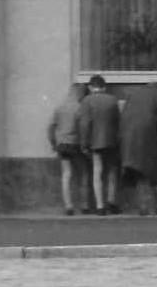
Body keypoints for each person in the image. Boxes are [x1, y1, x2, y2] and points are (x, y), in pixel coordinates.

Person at [118, 79, 157, 216]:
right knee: (149, 170)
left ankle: (144, 206)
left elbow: (123, 115)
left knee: (137, 170)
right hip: (148, 134)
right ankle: (155, 207)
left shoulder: (133, 94)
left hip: (127, 136)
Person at [75, 75, 123, 215]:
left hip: (95, 142)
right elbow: (118, 121)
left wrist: (83, 143)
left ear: (90, 87)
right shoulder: (113, 100)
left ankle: (100, 206)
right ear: (104, 87)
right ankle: (112, 202)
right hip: (112, 141)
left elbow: (84, 124)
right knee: (112, 171)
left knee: (97, 172)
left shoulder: (86, 101)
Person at [46, 82, 90, 215]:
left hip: (62, 144)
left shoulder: (59, 107)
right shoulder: (80, 108)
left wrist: (53, 143)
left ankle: (68, 206)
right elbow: (83, 128)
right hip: (76, 143)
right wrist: (85, 144)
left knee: (67, 174)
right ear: (81, 94)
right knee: (84, 174)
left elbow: (50, 127)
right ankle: (84, 205)